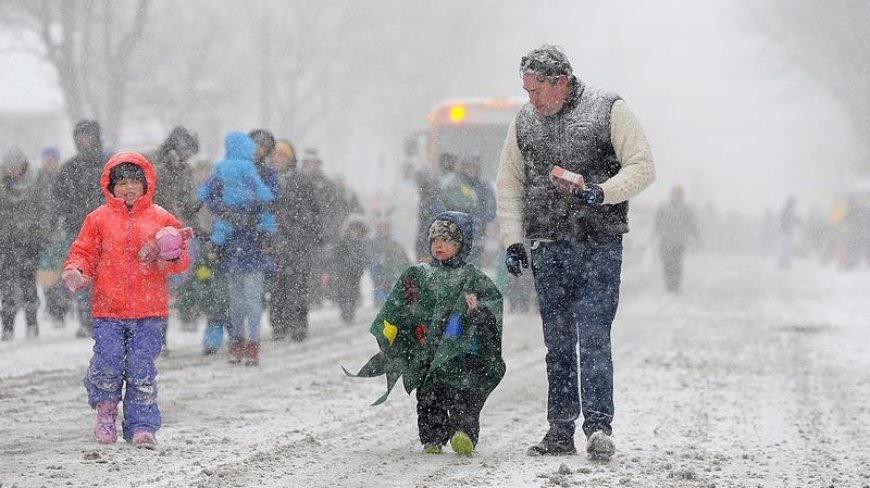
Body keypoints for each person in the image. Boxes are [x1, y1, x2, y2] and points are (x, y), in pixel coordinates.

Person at [496, 45, 655, 460]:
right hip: (549, 248)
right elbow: (509, 183)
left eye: (537, 91)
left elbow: (642, 166)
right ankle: (560, 431)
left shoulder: (608, 110)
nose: (531, 99)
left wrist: (600, 193)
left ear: (561, 82)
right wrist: (513, 240)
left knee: (595, 339)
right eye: (526, 90)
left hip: (599, 246)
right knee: (558, 344)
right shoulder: (524, 122)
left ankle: (599, 427)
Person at [345, 211, 505, 456]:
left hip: (461, 353)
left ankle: (463, 433)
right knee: (430, 396)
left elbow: (491, 303)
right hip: (428, 352)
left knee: (463, 396)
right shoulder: (420, 276)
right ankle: (432, 437)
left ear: (461, 245)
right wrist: (402, 317)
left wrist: (478, 312)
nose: (438, 245)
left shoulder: (472, 277)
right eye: (434, 241)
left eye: (446, 240)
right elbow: (400, 305)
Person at [61, 151, 190, 448]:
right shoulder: (98, 220)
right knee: (108, 365)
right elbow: (84, 252)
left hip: (149, 311)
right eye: (121, 183)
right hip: (108, 310)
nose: (128, 188)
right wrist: (76, 270)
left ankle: (142, 426)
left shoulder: (161, 218)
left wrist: (171, 253)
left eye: (134, 181)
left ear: (146, 184)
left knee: (141, 370)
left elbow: (179, 263)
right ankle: (105, 414)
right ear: (110, 186)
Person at [198, 132, 273, 365]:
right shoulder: (250, 171)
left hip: (245, 243)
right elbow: (266, 198)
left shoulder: (229, 169)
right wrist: (233, 211)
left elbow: (207, 192)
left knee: (247, 300)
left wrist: (234, 213)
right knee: (238, 300)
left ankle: (247, 343)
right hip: (238, 245)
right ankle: (242, 343)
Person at [53, 119, 109, 338]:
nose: (82, 140)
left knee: (106, 277)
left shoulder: (108, 165)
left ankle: (104, 318)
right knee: (80, 276)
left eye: (86, 135)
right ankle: (86, 319)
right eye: (79, 136)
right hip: (78, 232)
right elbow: (59, 199)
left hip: (106, 230)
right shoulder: (69, 168)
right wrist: (59, 222)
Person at [149, 126, 201, 348]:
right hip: (158, 234)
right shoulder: (160, 169)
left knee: (162, 289)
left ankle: (159, 338)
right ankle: (157, 337)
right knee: (158, 289)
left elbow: (189, 204)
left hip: (172, 235)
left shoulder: (180, 169)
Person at [270, 139, 323, 342]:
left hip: (299, 243)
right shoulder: (267, 180)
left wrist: (309, 230)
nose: (278, 159)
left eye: (283, 155)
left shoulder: (302, 181)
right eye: (276, 155)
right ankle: (278, 325)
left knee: (299, 286)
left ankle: (299, 325)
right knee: (278, 287)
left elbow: (315, 210)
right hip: (277, 243)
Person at [0, 146, 50, 340]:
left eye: (16, 166)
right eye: (9, 167)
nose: (13, 171)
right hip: (5, 242)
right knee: (6, 285)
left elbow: (44, 209)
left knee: (28, 283)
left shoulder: (35, 183)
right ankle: (8, 325)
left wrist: (39, 232)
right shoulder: (2, 187)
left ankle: (32, 323)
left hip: (29, 241)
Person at [35, 146, 70, 328]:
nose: (49, 161)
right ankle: (52, 308)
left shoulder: (64, 177)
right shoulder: (37, 179)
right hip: (43, 233)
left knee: (62, 272)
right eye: (47, 158)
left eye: (52, 158)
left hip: (61, 232)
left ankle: (61, 310)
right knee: (47, 274)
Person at [653, 185, 699, 293]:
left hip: (679, 242)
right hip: (665, 242)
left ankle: (676, 286)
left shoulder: (686, 210)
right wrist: (654, 235)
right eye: (674, 193)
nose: (676, 196)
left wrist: (696, 236)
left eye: (678, 194)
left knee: (677, 264)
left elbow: (692, 224)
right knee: (667, 264)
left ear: (681, 195)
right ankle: (669, 285)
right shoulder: (664, 208)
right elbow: (657, 223)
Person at [330, 213, 372, 324]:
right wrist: (338, 267)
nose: (356, 230)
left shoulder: (362, 242)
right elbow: (336, 254)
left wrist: (361, 266)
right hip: (343, 271)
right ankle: (345, 311)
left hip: (355, 273)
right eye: (354, 227)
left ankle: (350, 311)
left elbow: (365, 257)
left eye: (358, 228)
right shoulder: (343, 241)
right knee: (342, 292)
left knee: (353, 292)